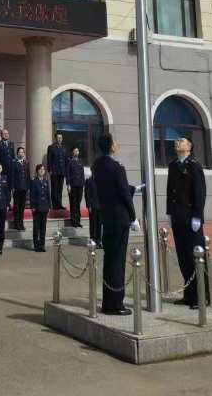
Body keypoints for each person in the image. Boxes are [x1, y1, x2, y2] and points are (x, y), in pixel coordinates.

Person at [92, 133, 144, 316]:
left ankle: (108, 302)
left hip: (107, 218)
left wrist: (134, 188)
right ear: (112, 147)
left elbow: (113, 187)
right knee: (117, 262)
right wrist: (133, 216)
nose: (117, 144)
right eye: (115, 142)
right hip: (120, 218)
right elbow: (122, 192)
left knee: (109, 260)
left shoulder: (98, 165)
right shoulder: (117, 167)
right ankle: (115, 304)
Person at [166, 137, 207, 309]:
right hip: (178, 217)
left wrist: (197, 216)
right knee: (183, 257)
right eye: (176, 141)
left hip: (191, 218)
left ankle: (201, 296)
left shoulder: (194, 166)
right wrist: (169, 212)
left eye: (181, 141)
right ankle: (188, 295)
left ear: (189, 147)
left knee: (194, 256)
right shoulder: (173, 165)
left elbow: (199, 192)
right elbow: (170, 190)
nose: (177, 142)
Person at [30, 164, 51, 253]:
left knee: (43, 228)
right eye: (40, 169)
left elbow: (48, 194)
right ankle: (36, 245)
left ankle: (42, 245)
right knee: (36, 227)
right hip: (37, 206)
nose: (42, 171)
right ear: (37, 171)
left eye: (43, 169)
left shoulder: (46, 180)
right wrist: (32, 206)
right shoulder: (34, 181)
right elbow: (32, 194)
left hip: (45, 206)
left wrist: (49, 205)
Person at [10, 147, 31, 232]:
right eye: (19, 152)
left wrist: (28, 187)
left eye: (22, 152)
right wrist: (12, 187)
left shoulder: (26, 163)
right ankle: (16, 224)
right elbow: (12, 176)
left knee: (22, 207)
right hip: (17, 187)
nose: (21, 154)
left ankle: (21, 223)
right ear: (17, 153)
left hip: (24, 187)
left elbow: (28, 176)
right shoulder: (14, 162)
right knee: (17, 206)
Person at [47, 132, 68, 210]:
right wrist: (50, 169)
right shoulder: (51, 147)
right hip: (54, 172)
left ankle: (60, 204)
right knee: (54, 189)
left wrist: (66, 170)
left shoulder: (64, 148)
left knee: (60, 189)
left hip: (62, 171)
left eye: (61, 138)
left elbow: (66, 160)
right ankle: (54, 205)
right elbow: (49, 159)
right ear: (55, 139)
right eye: (58, 138)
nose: (59, 139)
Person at [66, 147, 85, 228]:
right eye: (75, 151)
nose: (77, 152)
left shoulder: (80, 161)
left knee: (78, 204)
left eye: (77, 151)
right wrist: (68, 184)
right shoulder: (69, 161)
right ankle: (73, 221)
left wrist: (83, 183)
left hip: (80, 185)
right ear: (72, 152)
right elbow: (68, 173)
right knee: (73, 203)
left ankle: (78, 221)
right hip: (73, 185)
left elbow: (82, 174)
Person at [84, 173, 102, 249]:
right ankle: (93, 241)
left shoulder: (100, 180)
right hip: (93, 206)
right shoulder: (89, 181)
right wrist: (88, 205)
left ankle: (99, 241)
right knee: (93, 224)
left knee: (99, 224)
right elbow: (87, 194)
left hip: (100, 206)